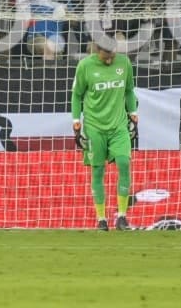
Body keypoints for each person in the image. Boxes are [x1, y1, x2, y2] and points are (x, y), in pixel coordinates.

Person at [71, 34, 139, 230]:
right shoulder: (85, 66)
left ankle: (122, 217)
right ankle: (101, 219)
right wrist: (76, 120)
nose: (109, 59)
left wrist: (132, 111)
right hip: (94, 127)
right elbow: (76, 95)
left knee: (124, 163)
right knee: (98, 170)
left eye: (112, 55)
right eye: (105, 56)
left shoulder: (124, 63)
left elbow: (129, 90)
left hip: (119, 125)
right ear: (96, 50)